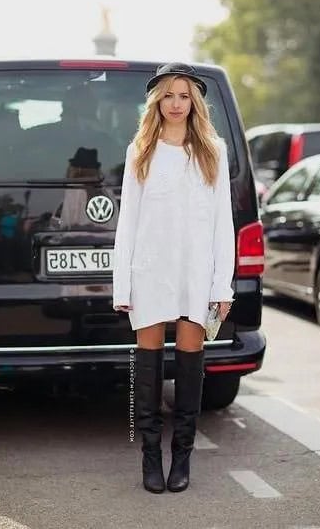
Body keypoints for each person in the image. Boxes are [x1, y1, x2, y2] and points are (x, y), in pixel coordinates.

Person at [112, 62, 235, 493]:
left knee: (188, 367)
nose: (176, 104)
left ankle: (181, 456)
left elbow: (224, 223)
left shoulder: (213, 151)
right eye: (168, 95)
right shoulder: (140, 150)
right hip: (150, 271)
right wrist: (122, 285)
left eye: (184, 95)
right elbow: (127, 221)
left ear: (195, 101)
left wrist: (223, 286)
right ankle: (150, 457)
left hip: (195, 274)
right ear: (157, 101)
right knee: (147, 369)